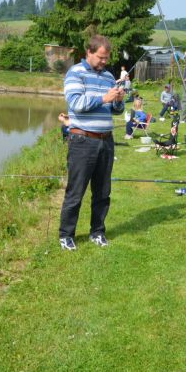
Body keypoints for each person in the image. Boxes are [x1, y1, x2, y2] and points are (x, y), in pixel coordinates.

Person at [58, 35, 125, 251]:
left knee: (103, 192)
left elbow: (115, 110)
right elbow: (76, 103)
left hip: (106, 141)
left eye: (106, 58)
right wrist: (103, 98)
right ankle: (66, 235)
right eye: (100, 57)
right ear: (88, 51)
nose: (104, 61)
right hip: (82, 140)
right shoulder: (75, 73)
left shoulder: (108, 76)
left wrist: (117, 101)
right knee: (76, 191)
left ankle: (97, 232)